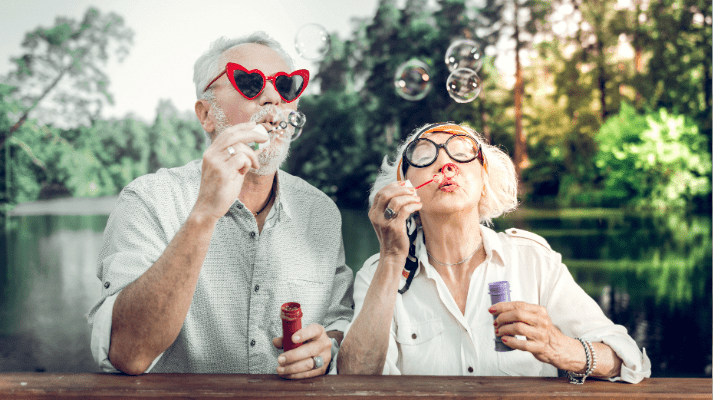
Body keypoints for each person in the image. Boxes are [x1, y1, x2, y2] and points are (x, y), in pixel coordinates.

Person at [87, 31, 353, 378]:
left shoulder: (321, 212)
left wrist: (326, 347)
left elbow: (339, 321)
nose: (273, 97)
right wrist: (204, 214)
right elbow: (128, 353)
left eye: (286, 86)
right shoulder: (148, 200)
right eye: (250, 83)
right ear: (207, 115)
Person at [337, 122, 651, 383]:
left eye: (462, 154)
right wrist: (392, 258)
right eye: (424, 156)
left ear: (485, 180)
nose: (447, 164)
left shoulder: (533, 261)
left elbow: (628, 360)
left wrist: (562, 348)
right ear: (404, 185)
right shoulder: (378, 274)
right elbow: (354, 381)